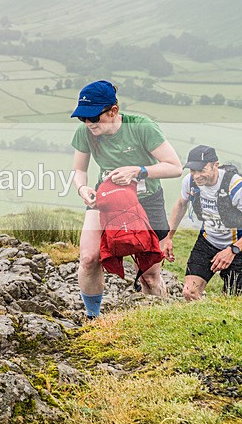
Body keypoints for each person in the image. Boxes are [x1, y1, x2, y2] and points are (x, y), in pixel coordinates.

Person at [70, 80, 182, 319]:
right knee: (89, 258)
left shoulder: (142, 127)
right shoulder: (85, 133)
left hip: (146, 200)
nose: (88, 123)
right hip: (105, 199)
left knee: (149, 275)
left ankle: (161, 320)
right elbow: (79, 170)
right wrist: (82, 189)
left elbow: (175, 167)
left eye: (93, 117)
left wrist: (138, 170)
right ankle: (93, 318)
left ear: (113, 111)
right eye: (83, 118)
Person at [160, 145, 242, 299]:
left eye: (201, 170)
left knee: (232, 299)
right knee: (189, 292)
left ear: (215, 165)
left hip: (237, 246)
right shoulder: (190, 182)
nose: (196, 176)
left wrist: (233, 250)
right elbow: (181, 204)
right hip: (207, 242)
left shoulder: (235, 186)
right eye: (192, 171)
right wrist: (169, 238)